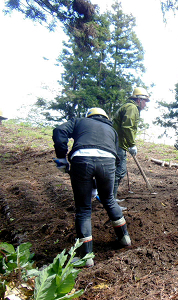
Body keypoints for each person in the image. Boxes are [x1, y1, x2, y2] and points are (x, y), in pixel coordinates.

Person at [52, 108, 131, 267]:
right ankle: (124, 239)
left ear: (90, 116)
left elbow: (59, 130)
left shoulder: (79, 121)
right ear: (105, 118)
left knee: (83, 208)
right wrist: (99, 182)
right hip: (108, 161)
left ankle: (85, 256)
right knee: (109, 199)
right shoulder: (111, 130)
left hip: (82, 159)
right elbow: (114, 157)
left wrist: (61, 157)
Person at [112, 87, 150, 201]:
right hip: (117, 143)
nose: (145, 105)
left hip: (118, 143)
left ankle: (110, 198)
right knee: (119, 171)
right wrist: (131, 144)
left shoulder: (129, 107)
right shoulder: (132, 108)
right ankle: (110, 199)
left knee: (118, 171)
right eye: (145, 101)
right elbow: (127, 127)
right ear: (139, 100)